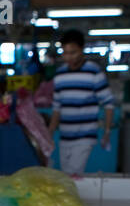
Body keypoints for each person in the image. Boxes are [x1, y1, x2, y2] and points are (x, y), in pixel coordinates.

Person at [48, 29, 115, 175]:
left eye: (73, 52)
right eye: (65, 53)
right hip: (65, 136)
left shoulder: (94, 73)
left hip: (85, 136)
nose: (68, 57)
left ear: (82, 50)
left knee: (74, 174)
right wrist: (49, 134)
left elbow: (108, 104)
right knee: (66, 175)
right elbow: (56, 108)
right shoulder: (60, 75)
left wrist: (107, 131)